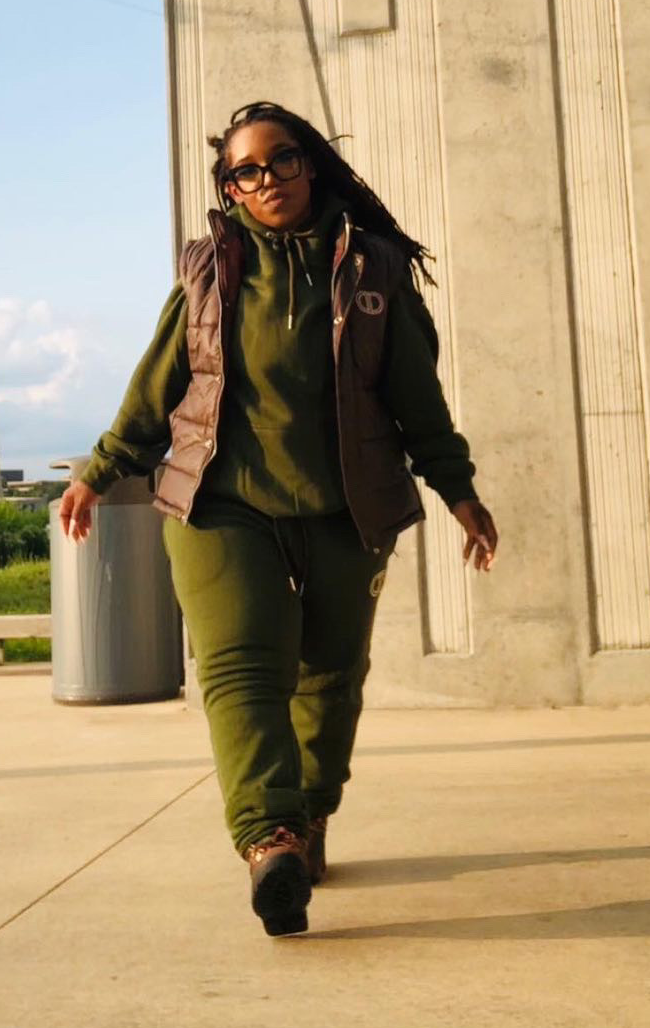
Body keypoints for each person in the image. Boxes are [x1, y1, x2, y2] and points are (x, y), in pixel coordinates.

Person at [58, 100, 498, 937]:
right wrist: (102, 470)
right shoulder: (210, 271)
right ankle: (270, 839)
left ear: (310, 163)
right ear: (229, 188)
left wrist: (459, 490)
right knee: (240, 671)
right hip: (219, 503)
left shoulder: (371, 268)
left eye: (282, 160)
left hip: (345, 503)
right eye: (247, 171)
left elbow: (417, 396)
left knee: (330, 676)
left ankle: (310, 811)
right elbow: (159, 382)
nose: (269, 181)